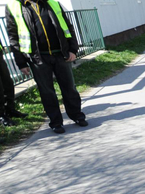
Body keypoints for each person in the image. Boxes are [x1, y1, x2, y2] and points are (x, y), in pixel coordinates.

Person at [5, 0, 87, 134]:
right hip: (37, 58)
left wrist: (73, 49)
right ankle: (56, 123)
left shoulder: (52, 2)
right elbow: (13, 37)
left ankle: (77, 116)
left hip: (61, 54)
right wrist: (21, 62)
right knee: (47, 92)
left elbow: (68, 26)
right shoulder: (13, 7)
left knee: (69, 87)